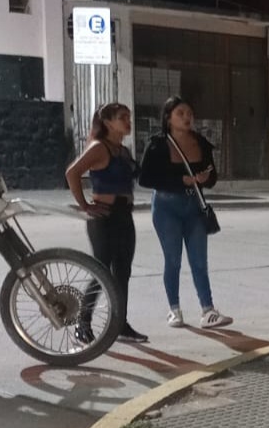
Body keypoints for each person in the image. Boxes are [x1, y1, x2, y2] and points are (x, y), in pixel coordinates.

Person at [138, 96, 233, 330]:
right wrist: (181, 180)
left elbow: (212, 176)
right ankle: (174, 310)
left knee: (199, 261)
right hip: (166, 207)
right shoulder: (158, 144)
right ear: (168, 118)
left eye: (189, 113)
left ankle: (208, 310)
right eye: (180, 113)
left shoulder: (201, 143)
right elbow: (145, 178)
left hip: (194, 206)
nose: (187, 117)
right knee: (173, 260)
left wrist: (204, 178)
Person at [65, 102, 148, 344]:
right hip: (104, 217)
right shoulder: (99, 148)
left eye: (129, 117)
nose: (128, 122)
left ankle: (120, 323)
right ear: (108, 123)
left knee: (123, 272)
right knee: (101, 271)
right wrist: (84, 205)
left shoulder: (122, 150)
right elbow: (72, 173)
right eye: (123, 118)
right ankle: (83, 323)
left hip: (124, 216)